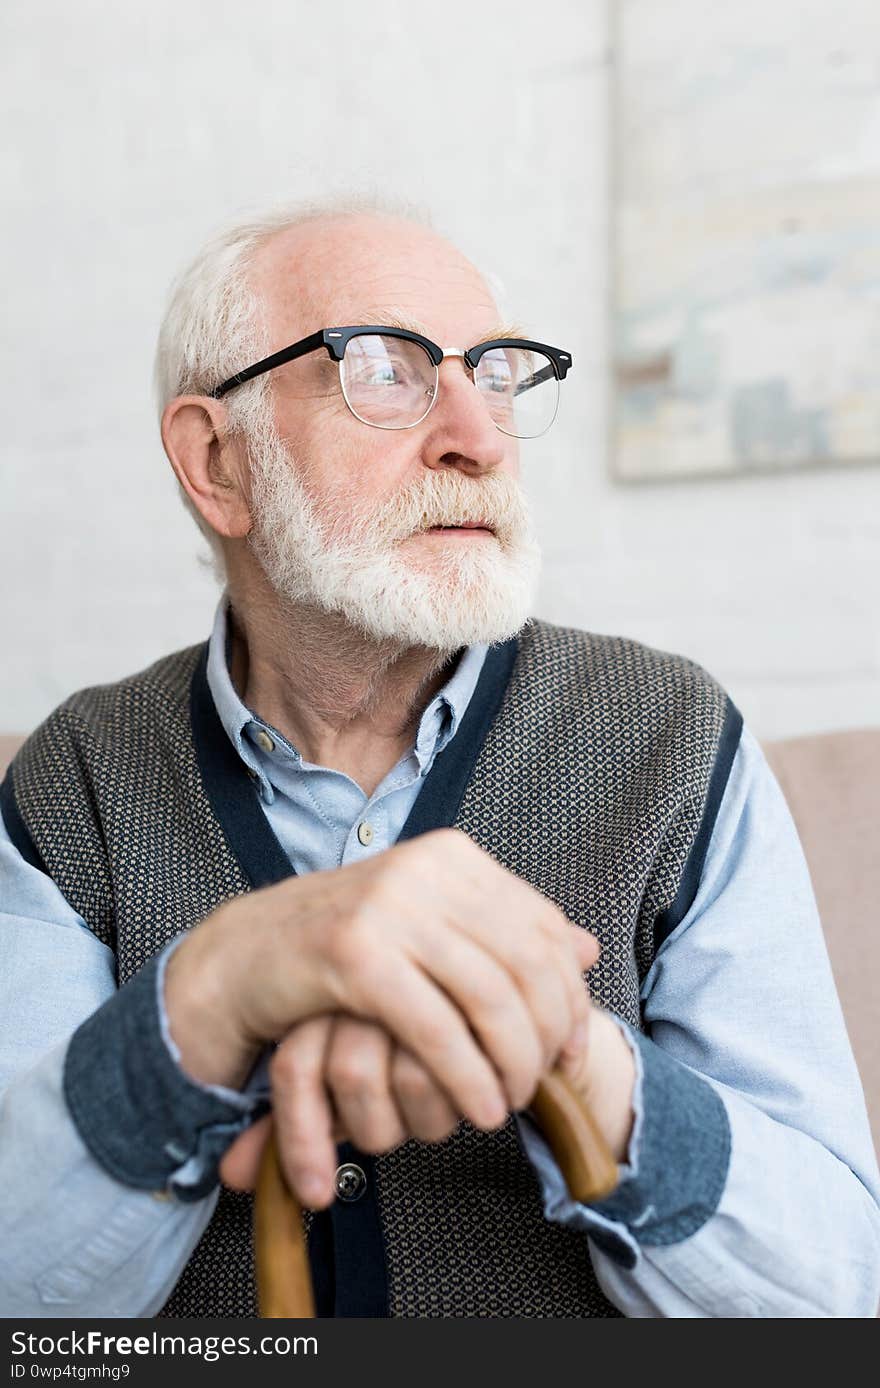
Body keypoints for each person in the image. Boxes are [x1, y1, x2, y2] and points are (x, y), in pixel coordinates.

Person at [1, 198, 878, 1319]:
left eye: (497, 372)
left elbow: (842, 1298)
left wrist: (577, 1059)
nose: (477, 433)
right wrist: (207, 999)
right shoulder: (76, 777)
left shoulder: (673, 734)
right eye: (385, 369)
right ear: (214, 460)